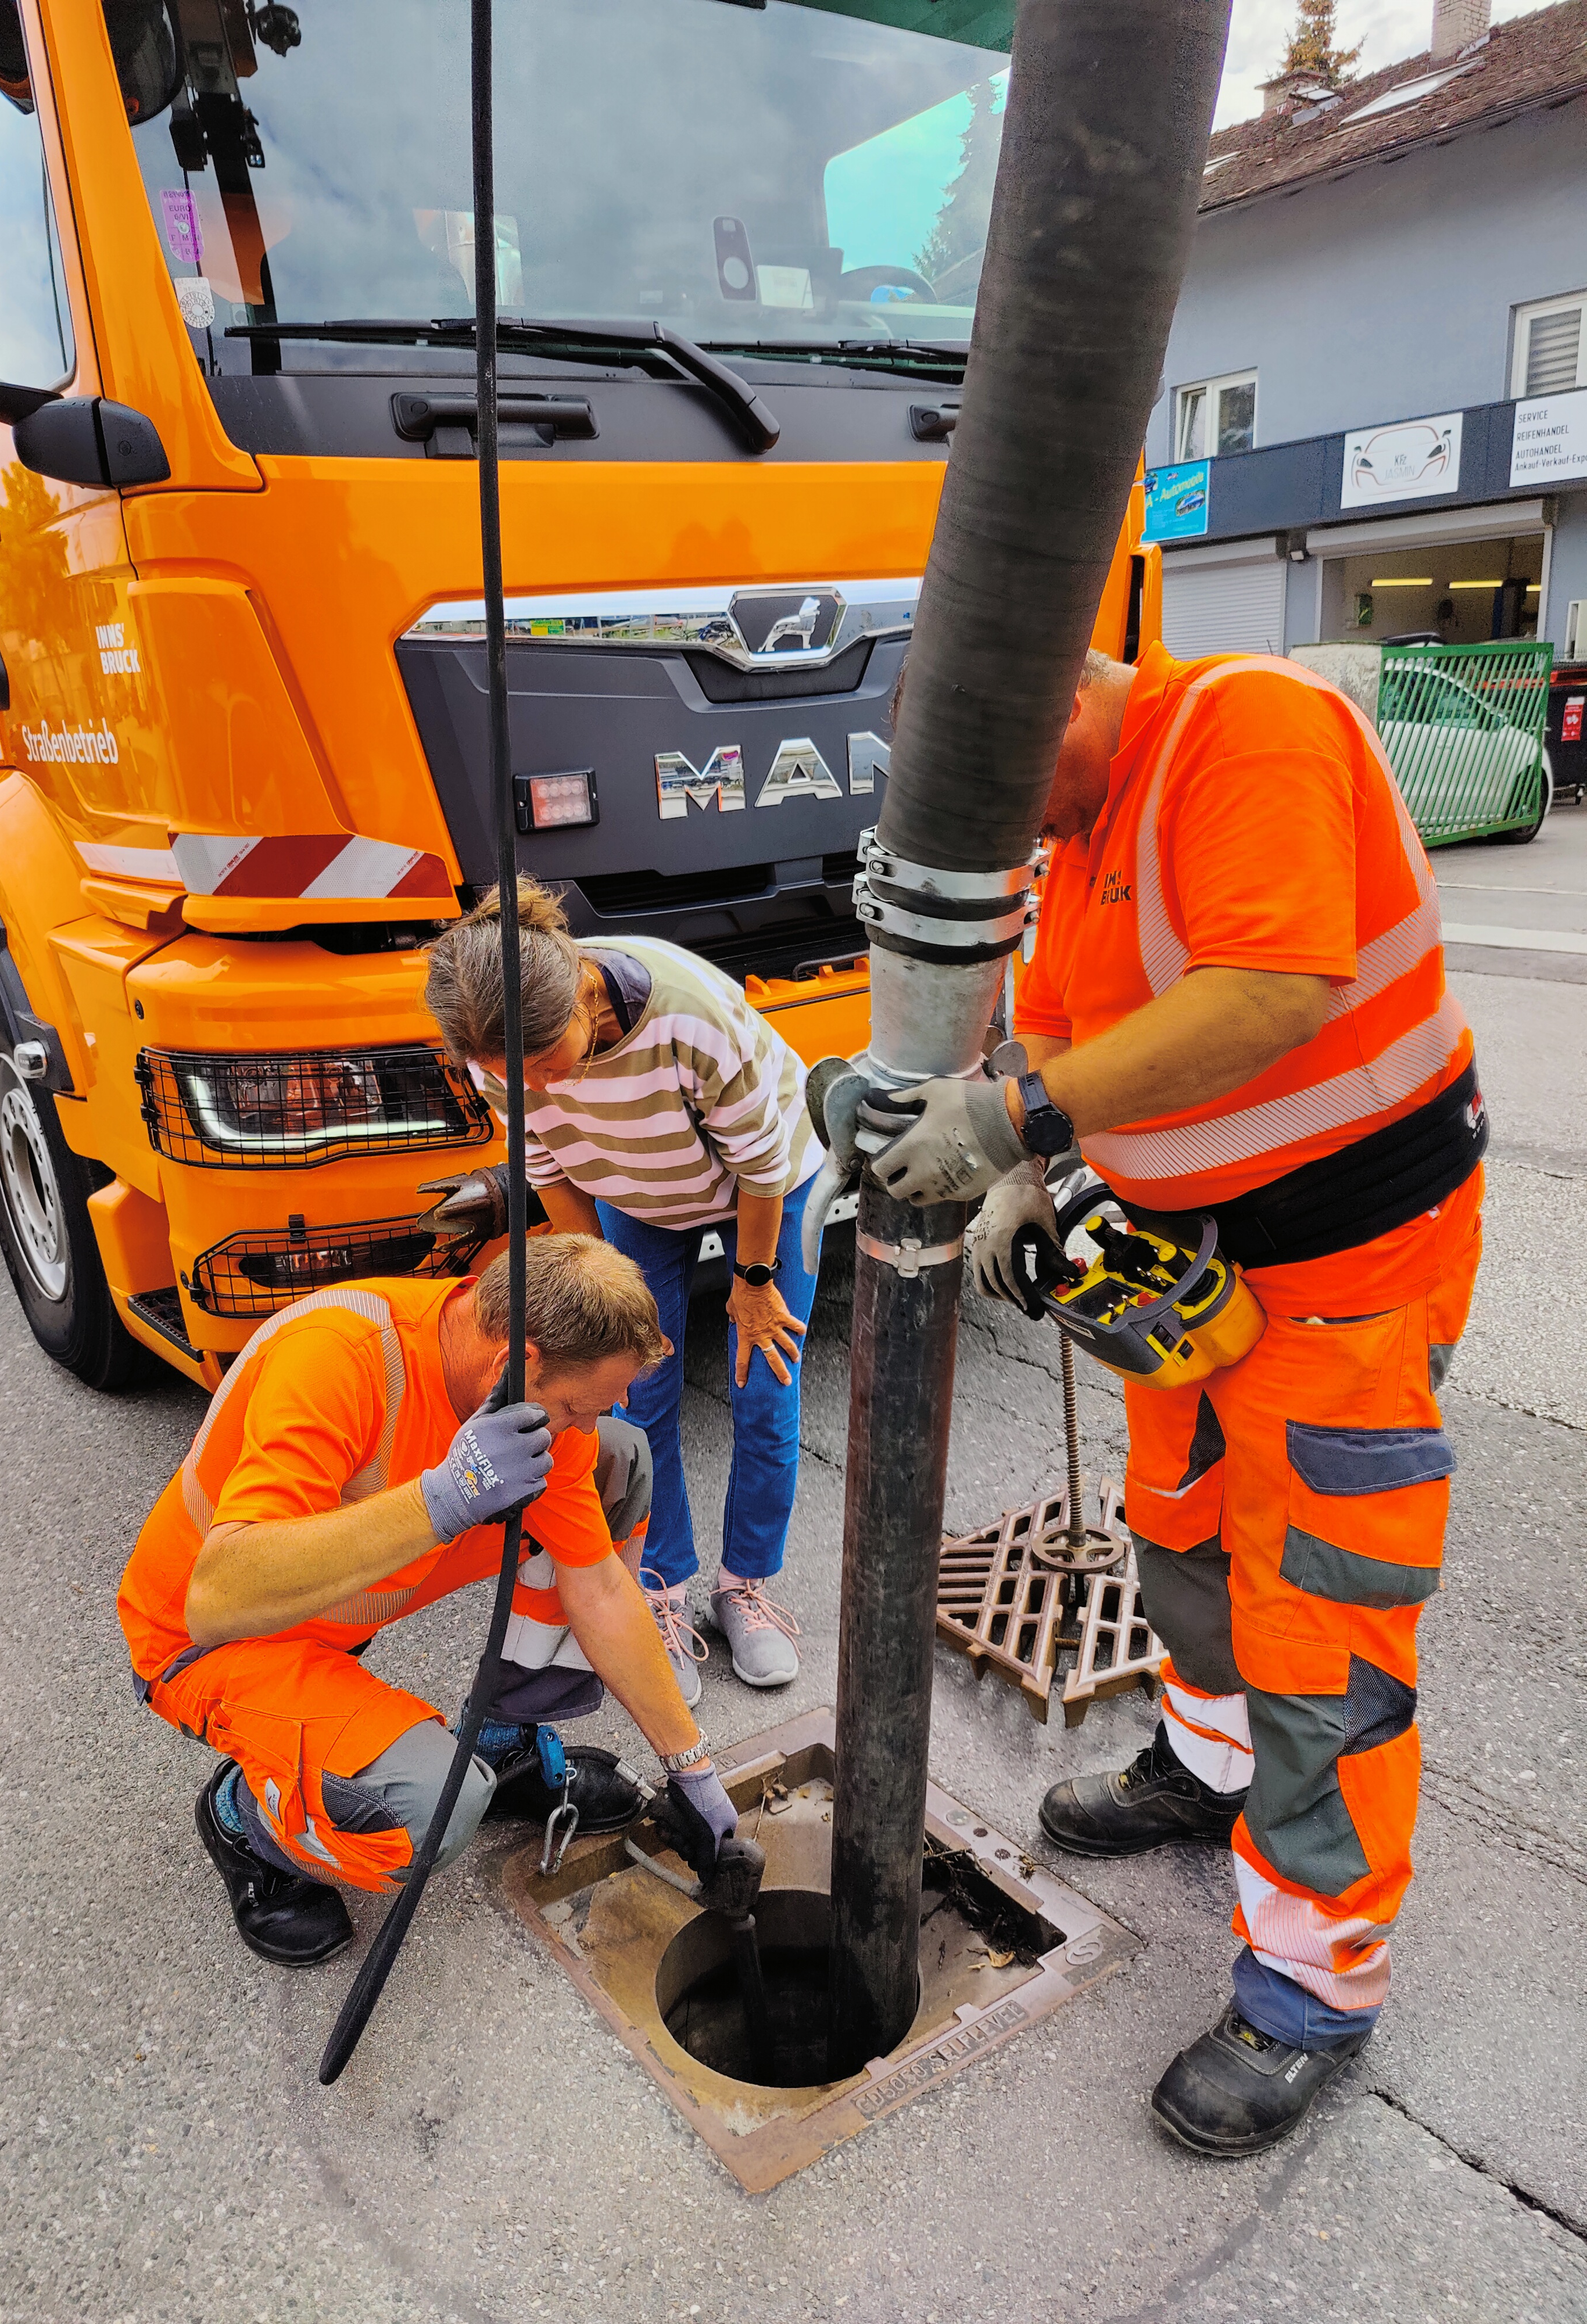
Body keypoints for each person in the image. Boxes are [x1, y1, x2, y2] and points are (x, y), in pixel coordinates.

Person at [869, 641, 1484, 2156]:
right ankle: (1207, 1771)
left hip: (1350, 1276)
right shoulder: (1076, 840)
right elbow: (1084, 1039)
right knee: (1182, 1538)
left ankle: (1313, 1983)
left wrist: (1013, 1120)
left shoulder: (1242, 728)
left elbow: (1273, 989)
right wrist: (1042, 1169)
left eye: (1005, 796)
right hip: (1189, 1266)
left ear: (1056, 700)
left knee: (1320, 1628)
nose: (1010, 836)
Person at [117, 1236, 740, 1965]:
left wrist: (691, 1769)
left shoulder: (534, 1399)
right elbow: (219, 1596)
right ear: (521, 1362)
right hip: (218, 1643)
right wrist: (444, 1498)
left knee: (617, 1463)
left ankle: (504, 1742)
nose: (576, 1425)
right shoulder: (341, 1356)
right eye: (575, 1406)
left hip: (340, 1606)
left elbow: (598, 1584)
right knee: (431, 1813)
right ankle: (245, 1815)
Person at [424, 880, 822, 1702]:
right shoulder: (497, 1052)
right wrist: (602, 1287)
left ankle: (745, 1584)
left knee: (763, 1382)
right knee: (634, 1395)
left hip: (769, 1190)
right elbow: (551, 1173)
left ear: (583, 996)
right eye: (509, 1074)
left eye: (542, 1064)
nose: (528, 1086)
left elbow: (762, 1166)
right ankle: (663, 1588)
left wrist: (752, 1284)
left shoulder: (688, 1012)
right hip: (635, 1194)